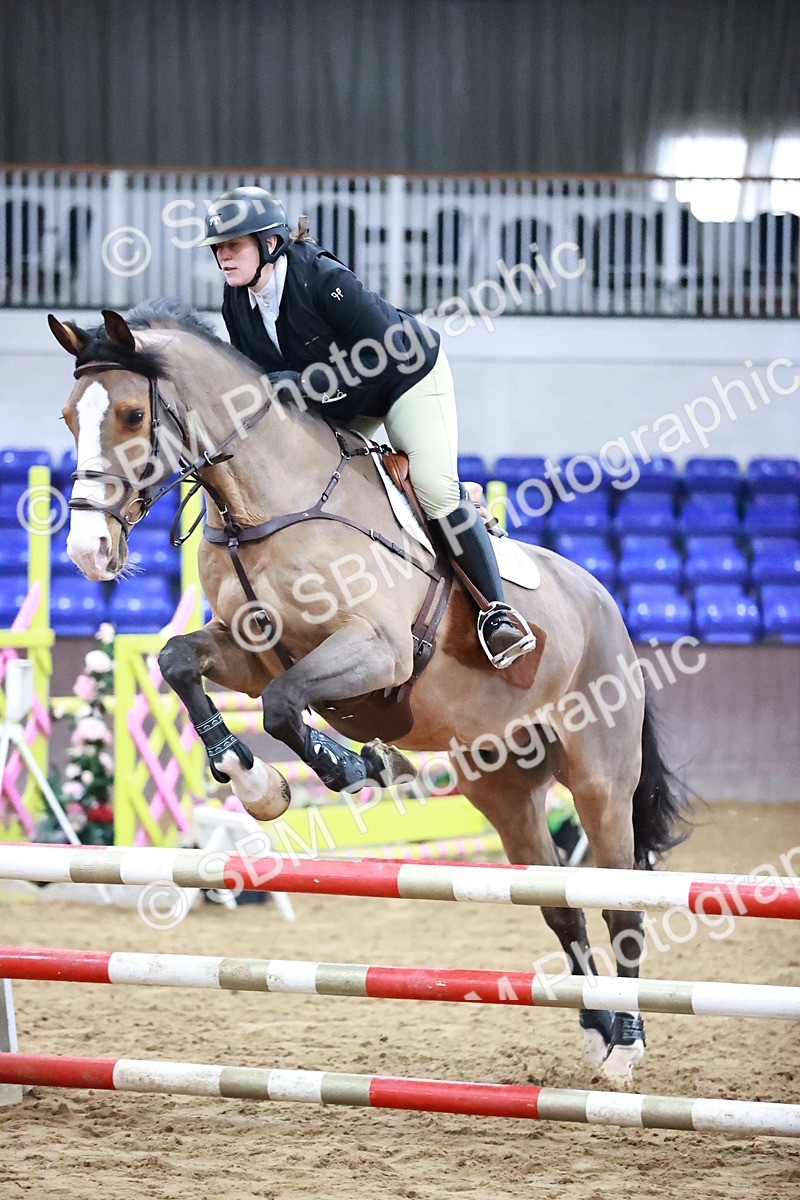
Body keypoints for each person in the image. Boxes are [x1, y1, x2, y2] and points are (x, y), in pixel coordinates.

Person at [200, 186, 534, 669]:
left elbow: (382, 352)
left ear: (270, 243)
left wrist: (305, 382)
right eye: (217, 248)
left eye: (233, 245)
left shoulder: (322, 279)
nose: (222, 256)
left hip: (405, 377)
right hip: (342, 400)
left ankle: (496, 615)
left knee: (434, 489)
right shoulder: (237, 304)